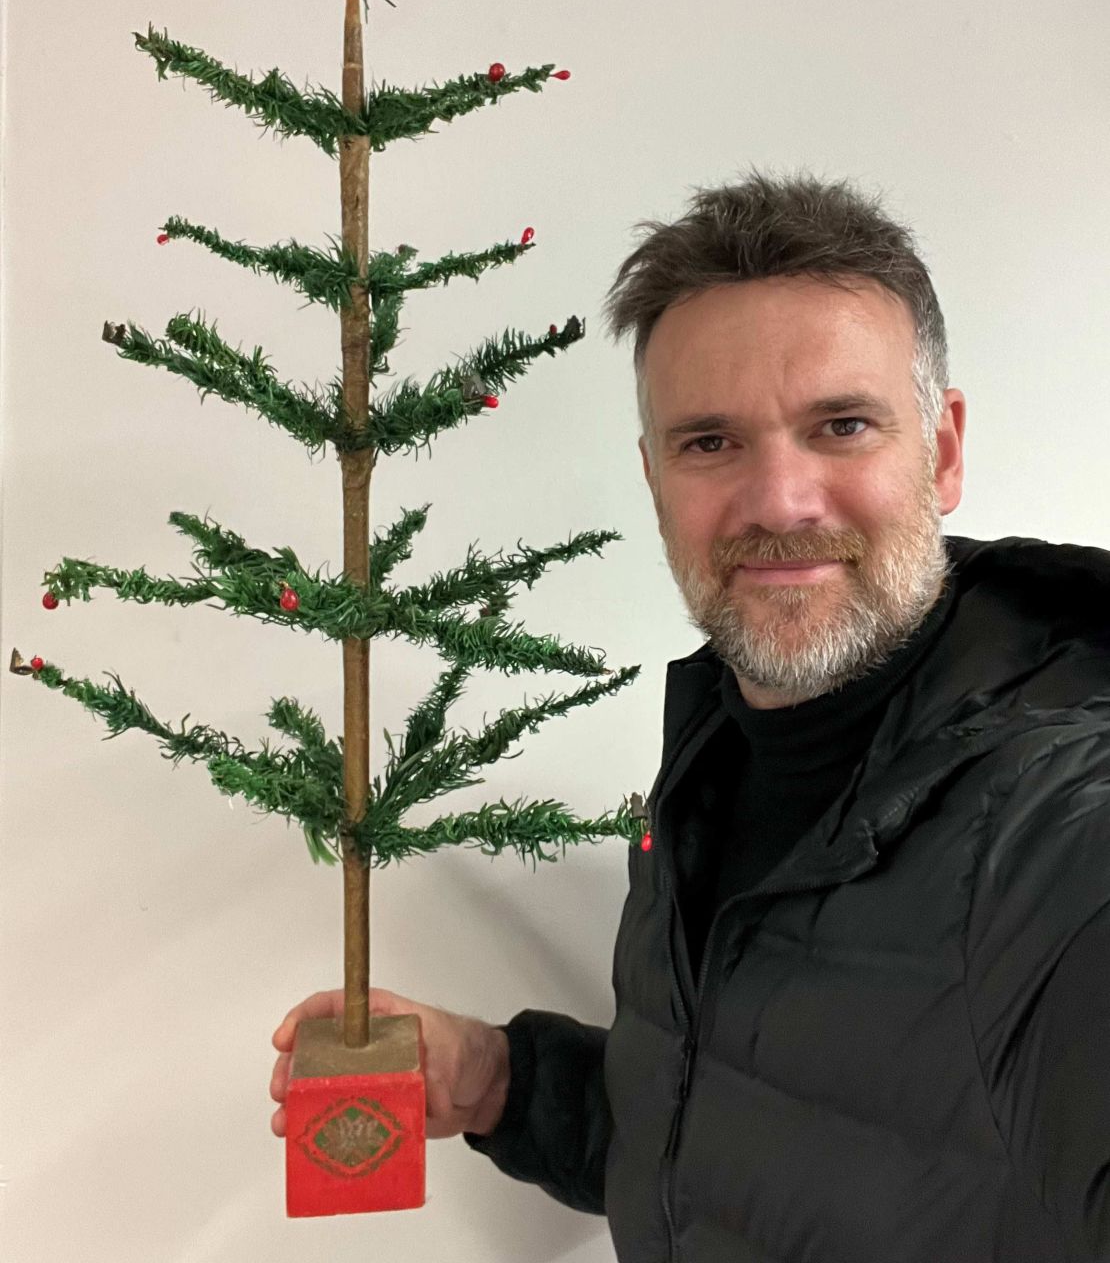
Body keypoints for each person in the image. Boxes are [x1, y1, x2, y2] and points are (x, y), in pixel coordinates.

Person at [270, 169, 1110, 1261]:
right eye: (710, 442)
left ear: (942, 449)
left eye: (843, 425)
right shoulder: (712, 757)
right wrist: (500, 1083)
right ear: (655, 476)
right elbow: (739, 1134)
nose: (778, 500)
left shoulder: (1054, 832)